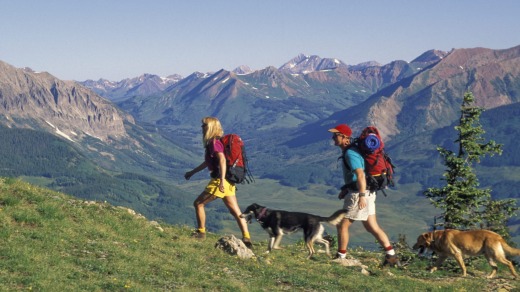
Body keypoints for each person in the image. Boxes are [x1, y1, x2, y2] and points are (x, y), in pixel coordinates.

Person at [328, 123, 400, 266]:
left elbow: (360, 175)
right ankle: (391, 256)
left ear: (344, 137)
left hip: (359, 194)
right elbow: (357, 176)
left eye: (336, 135)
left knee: (342, 225)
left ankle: (341, 257)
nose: (333, 138)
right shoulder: (352, 151)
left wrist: (360, 196)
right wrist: (346, 188)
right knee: (371, 226)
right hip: (367, 192)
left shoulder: (350, 153)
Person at [184, 116, 252, 248]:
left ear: (210, 127)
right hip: (228, 181)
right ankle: (247, 238)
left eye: (204, 125)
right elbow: (208, 162)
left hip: (221, 181)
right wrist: (192, 172)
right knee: (235, 211)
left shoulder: (213, 142)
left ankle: (201, 233)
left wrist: (220, 181)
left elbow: (221, 160)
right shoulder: (215, 142)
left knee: (198, 203)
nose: (202, 128)